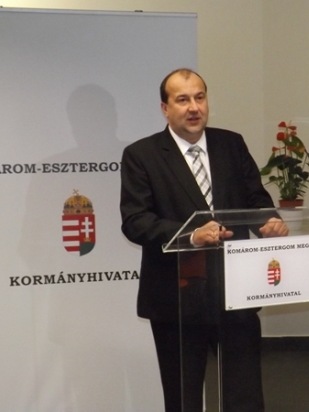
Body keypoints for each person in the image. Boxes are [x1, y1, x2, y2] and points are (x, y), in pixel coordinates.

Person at [120, 68, 288, 412]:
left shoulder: (231, 144)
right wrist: (191, 235)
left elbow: (255, 199)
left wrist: (269, 221)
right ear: (165, 108)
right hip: (176, 300)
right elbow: (136, 221)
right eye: (182, 100)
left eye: (199, 97)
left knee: (244, 397)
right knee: (183, 399)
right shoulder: (142, 155)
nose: (194, 107)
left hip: (236, 293)